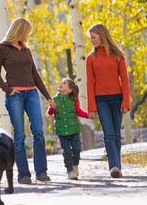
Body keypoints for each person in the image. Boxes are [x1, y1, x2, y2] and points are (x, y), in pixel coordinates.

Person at [0, 17, 52, 184]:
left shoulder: (26, 50)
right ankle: (24, 175)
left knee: (38, 132)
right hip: (15, 96)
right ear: (19, 31)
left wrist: (47, 97)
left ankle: (41, 172)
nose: (27, 36)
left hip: (32, 93)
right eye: (26, 33)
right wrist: (8, 89)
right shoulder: (2, 49)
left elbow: (35, 74)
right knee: (19, 136)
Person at [86, 24, 131, 178]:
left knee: (117, 134)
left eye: (94, 37)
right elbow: (89, 83)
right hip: (101, 100)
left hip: (117, 98)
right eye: (90, 38)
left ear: (102, 35)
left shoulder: (118, 55)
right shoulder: (90, 58)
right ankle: (114, 166)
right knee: (109, 133)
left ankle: (117, 165)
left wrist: (126, 101)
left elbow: (125, 80)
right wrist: (91, 106)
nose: (91, 40)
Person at [47, 78, 88, 180]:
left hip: (74, 130)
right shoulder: (54, 99)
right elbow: (49, 113)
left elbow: (79, 111)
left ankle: (75, 165)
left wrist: (88, 115)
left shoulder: (73, 100)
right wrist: (52, 107)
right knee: (67, 151)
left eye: (64, 83)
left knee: (77, 149)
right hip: (62, 131)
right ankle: (70, 171)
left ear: (70, 90)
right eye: (61, 82)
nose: (61, 84)